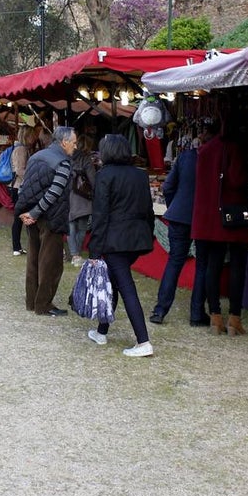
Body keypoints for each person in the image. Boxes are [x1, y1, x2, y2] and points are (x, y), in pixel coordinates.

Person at [86, 133, 156, 357]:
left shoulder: (104, 175)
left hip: (115, 241)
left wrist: (94, 250)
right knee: (115, 283)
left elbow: (100, 215)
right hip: (136, 239)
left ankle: (143, 341)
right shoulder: (140, 175)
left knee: (125, 287)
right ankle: (101, 331)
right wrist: (148, 234)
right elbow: (148, 210)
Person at [191, 118, 248, 336]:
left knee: (213, 265)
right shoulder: (235, 149)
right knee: (238, 266)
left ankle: (215, 317)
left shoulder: (206, 150)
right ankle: (234, 319)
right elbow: (237, 180)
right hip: (234, 216)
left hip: (212, 217)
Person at [15, 126, 77, 316]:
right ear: (64, 142)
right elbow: (54, 192)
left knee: (33, 259)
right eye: (74, 143)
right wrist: (34, 213)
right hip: (51, 217)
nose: (75, 146)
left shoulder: (36, 156)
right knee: (51, 263)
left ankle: (32, 301)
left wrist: (26, 212)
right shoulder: (63, 163)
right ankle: (44, 304)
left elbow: (25, 186)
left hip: (32, 215)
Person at [151, 131, 210, 326]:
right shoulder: (213, 158)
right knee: (202, 265)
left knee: (175, 262)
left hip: (180, 215)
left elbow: (168, 187)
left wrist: (175, 205)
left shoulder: (185, 157)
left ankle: (160, 310)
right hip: (202, 216)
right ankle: (196, 314)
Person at [66, 136, 97, 267]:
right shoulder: (86, 159)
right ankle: (76, 254)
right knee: (82, 227)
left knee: (70, 226)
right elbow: (93, 180)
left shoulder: (66, 156)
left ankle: (74, 254)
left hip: (68, 195)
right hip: (83, 197)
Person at [9, 126, 33, 256]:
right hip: (20, 187)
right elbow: (20, 170)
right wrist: (32, 179)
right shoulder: (21, 149)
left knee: (20, 217)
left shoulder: (21, 148)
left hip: (19, 186)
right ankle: (16, 246)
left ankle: (17, 247)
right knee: (20, 217)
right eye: (31, 135)